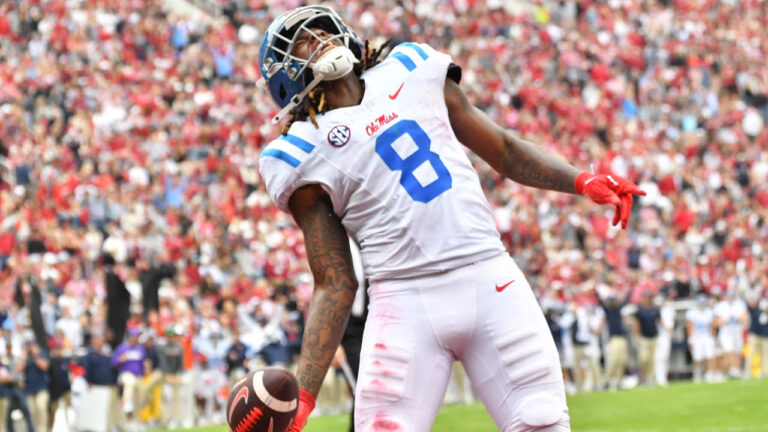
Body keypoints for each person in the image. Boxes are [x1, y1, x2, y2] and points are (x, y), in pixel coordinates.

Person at [257, 6, 644, 431]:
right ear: (284, 78)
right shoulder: (299, 150)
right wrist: (305, 396)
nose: (321, 40)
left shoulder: (410, 70)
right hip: (403, 299)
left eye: (322, 30)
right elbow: (335, 280)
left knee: (542, 422)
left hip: (489, 276)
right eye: (305, 42)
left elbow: (505, 149)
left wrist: (582, 180)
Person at [597, 289, 631, 390]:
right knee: (614, 360)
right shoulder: (609, 311)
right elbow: (601, 303)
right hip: (613, 338)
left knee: (622, 360)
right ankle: (607, 381)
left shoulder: (618, 309)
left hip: (622, 338)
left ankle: (619, 381)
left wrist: (630, 289)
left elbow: (626, 300)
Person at [713, 290, 748, 379]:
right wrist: (727, 319)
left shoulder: (739, 304)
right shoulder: (720, 306)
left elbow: (744, 318)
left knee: (737, 352)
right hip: (726, 332)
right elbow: (717, 322)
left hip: (737, 331)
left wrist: (736, 317)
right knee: (729, 351)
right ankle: (733, 370)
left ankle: (731, 370)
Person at [686, 295, 717, 383]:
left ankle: (709, 374)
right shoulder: (692, 312)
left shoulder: (709, 312)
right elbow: (690, 326)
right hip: (697, 337)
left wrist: (713, 337)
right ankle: (697, 375)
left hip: (707, 337)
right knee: (697, 357)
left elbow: (712, 326)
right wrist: (690, 339)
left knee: (709, 356)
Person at [633, 291, 661, 386]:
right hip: (644, 337)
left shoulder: (655, 309)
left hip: (654, 337)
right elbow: (636, 324)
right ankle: (645, 376)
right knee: (644, 359)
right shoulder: (640, 310)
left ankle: (651, 379)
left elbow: (659, 321)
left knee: (653, 359)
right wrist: (637, 335)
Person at [21, 341, 49, 432]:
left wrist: (36, 355)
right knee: (32, 412)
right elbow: (19, 369)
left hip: (41, 388)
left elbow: (45, 366)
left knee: (41, 408)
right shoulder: (26, 357)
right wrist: (23, 358)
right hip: (29, 389)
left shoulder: (41, 353)